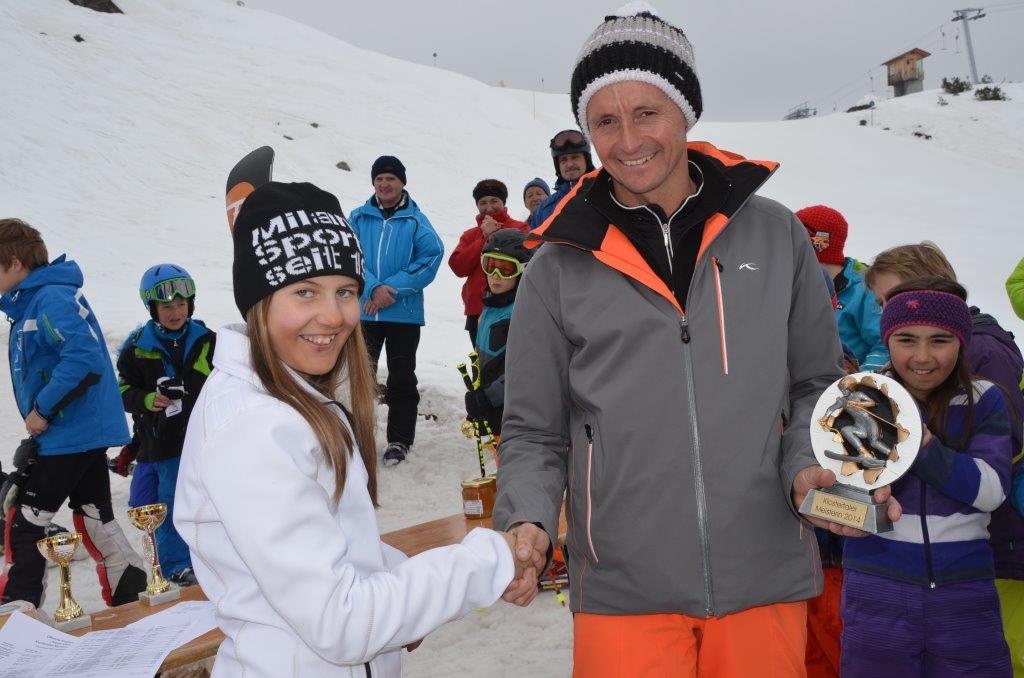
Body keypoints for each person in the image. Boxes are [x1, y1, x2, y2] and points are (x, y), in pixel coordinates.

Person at [493, 6, 898, 675]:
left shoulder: (775, 235)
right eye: (604, 121)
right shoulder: (557, 265)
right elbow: (534, 430)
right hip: (623, 586)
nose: (627, 140)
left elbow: (815, 383)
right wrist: (526, 520)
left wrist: (812, 465)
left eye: (646, 112)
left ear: (686, 112)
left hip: (762, 571)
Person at [174, 181, 520, 678]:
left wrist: (403, 591)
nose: (333, 316)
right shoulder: (254, 426)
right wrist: (492, 560)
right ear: (258, 299)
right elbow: (342, 622)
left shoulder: (291, 395)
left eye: (346, 291)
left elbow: (340, 543)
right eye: (304, 292)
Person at [841, 279, 1013, 676]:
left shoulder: (984, 399)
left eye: (939, 340)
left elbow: (991, 491)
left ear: (961, 342)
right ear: (887, 340)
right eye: (906, 340)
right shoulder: (863, 399)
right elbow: (847, 498)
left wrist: (919, 444)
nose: (922, 356)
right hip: (876, 586)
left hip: (965, 592)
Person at [0, 218, 146, 607]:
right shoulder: (38, 300)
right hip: (79, 431)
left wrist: (42, 410)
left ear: (14, 263)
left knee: (25, 521)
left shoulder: (48, 299)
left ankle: (19, 608)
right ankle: (130, 593)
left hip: (69, 432)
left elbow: (82, 357)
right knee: (94, 515)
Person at [114, 263, 216, 587]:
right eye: (167, 306)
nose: (176, 312)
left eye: (181, 304)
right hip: (163, 442)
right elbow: (121, 391)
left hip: (205, 438)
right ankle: (176, 563)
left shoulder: (208, 340)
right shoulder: (137, 349)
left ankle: (211, 557)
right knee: (163, 502)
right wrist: (147, 399)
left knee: (208, 498)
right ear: (152, 308)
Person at [349, 155, 443, 466]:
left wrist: (391, 290)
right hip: (364, 312)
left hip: (403, 314)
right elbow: (349, 256)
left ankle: (399, 440)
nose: (384, 184)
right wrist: (372, 288)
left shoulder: (416, 220)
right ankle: (357, 436)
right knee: (359, 377)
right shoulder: (358, 218)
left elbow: (431, 257)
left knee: (402, 378)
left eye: (390, 178)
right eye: (379, 179)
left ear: (402, 182)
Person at [796, 204, 888, 371]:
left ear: (819, 241)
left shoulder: (864, 289)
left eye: (797, 234)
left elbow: (884, 345)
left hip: (848, 380)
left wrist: (859, 381)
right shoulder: (792, 281)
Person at [463, 229, 534, 435]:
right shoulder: (490, 306)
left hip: (514, 412)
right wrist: (478, 395)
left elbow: (525, 369)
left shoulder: (524, 313)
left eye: (506, 269)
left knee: (509, 452)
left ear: (523, 270)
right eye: (490, 265)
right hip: (492, 407)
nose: (496, 276)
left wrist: (488, 397)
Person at [448, 180, 529, 346]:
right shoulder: (470, 235)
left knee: (510, 355)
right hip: (476, 308)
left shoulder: (521, 228)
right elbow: (458, 267)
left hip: (511, 307)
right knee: (480, 358)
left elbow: (528, 261)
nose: (489, 207)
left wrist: (494, 236)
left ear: (503, 202)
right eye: (483, 202)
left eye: (494, 201)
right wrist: (485, 238)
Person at [526, 129, 595, 228]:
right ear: (558, 166)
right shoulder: (544, 209)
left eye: (575, 157)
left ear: (586, 161)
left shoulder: (606, 192)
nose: (569, 164)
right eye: (563, 160)